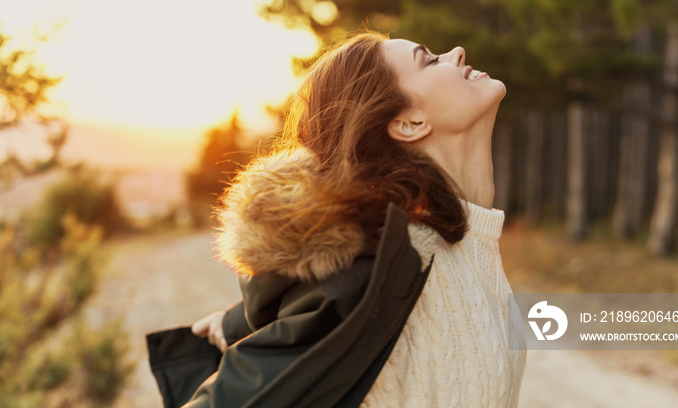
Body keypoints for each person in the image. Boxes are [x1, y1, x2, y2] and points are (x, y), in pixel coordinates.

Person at [152, 31, 526, 407]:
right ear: (409, 123)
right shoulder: (390, 265)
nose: (457, 52)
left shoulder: (461, 243)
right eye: (428, 60)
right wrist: (246, 329)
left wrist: (235, 325)